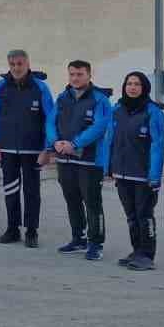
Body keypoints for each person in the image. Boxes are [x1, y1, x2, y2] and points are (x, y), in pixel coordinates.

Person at [0, 50, 56, 247]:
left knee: (32, 192)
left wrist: (48, 148)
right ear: (9, 64)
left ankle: (32, 231)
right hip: (7, 150)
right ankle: (12, 229)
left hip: (33, 151)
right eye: (13, 64)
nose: (16, 67)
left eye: (20, 63)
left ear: (28, 64)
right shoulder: (0, 87)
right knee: (10, 190)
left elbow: (51, 118)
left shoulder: (40, 88)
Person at [101, 71, 164, 271]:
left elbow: (158, 145)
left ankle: (147, 255)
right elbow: (109, 139)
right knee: (131, 215)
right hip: (122, 173)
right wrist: (107, 167)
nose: (132, 87)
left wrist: (154, 176)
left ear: (144, 87)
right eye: (129, 83)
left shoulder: (153, 112)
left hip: (144, 176)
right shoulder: (117, 109)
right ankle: (136, 250)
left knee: (144, 215)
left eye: (137, 84)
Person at [49, 60, 112, 259]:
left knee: (92, 203)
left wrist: (75, 144)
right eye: (72, 74)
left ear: (89, 75)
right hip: (65, 159)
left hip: (89, 161)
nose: (75, 78)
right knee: (72, 201)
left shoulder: (100, 99)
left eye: (79, 74)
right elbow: (51, 122)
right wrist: (55, 142)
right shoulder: (62, 97)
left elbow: (100, 126)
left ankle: (96, 244)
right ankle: (78, 238)